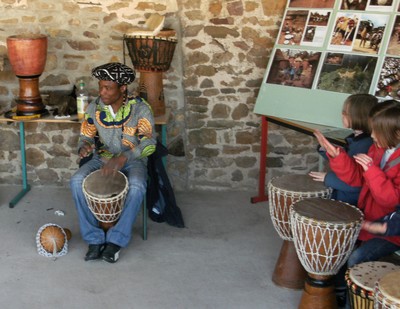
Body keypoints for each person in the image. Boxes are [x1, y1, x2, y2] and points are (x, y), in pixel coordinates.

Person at [314, 100, 400, 307]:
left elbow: (390, 200)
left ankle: (352, 303)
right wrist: (338, 158)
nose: (371, 135)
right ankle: (341, 290)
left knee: (356, 257)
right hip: (368, 219)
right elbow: (358, 180)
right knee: (338, 243)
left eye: (376, 131)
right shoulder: (378, 149)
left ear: (396, 134)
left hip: (391, 231)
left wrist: (372, 171)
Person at [70, 62, 156, 263]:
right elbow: (85, 136)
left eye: (108, 87)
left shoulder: (141, 109)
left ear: (122, 88)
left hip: (133, 160)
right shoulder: (95, 107)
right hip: (103, 158)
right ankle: (94, 239)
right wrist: (84, 147)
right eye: (100, 86)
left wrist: (124, 158)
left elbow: (150, 142)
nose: (102, 91)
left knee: (137, 185)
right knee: (76, 182)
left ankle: (116, 240)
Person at [309, 94, 378, 206]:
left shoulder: (365, 145)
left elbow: (357, 183)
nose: (342, 115)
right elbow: (345, 163)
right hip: (344, 196)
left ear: (359, 116)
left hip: (350, 202)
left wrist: (328, 178)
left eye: (346, 113)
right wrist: (325, 149)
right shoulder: (357, 138)